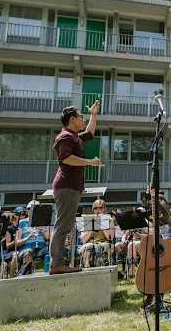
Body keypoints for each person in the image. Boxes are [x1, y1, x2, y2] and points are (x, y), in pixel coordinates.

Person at [49, 102, 103, 275]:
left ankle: (58, 263)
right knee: (62, 225)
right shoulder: (65, 137)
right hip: (66, 187)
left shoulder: (74, 136)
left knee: (65, 225)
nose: (83, 118)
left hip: (71, 187)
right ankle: (56, 264)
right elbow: (65, 158)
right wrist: (90, 162)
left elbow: (90, 133)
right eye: (81, 117)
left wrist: (94, 115)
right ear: (72, 119)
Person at [78, 199, 114, 268]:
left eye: (100, 208)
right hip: (90, 243)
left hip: (105, 242)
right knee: (88, 246)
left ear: (104, 209)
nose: (98, 210)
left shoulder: (109, 219)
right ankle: (86, 268)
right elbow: (84, 240)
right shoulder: (87, 220)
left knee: (102, 246)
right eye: (95, 208)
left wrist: (102, 224)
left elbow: (111, 237)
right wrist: (92, 227)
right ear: (93, 210)